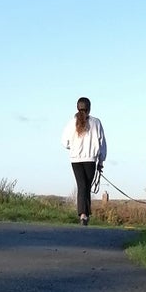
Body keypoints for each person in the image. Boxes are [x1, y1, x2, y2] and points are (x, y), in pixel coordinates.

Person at [60, 96, 107, 225]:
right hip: (90, 160)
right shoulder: (96, 122)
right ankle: (85, 214)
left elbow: (64, 142)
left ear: (77, 107)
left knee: (82, 186)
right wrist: (101, 161)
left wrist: (72, 147)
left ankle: (83, 214)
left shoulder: (71, 123)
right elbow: (102, 143)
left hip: (75, 160)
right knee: (86, 186)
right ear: (89, 108)